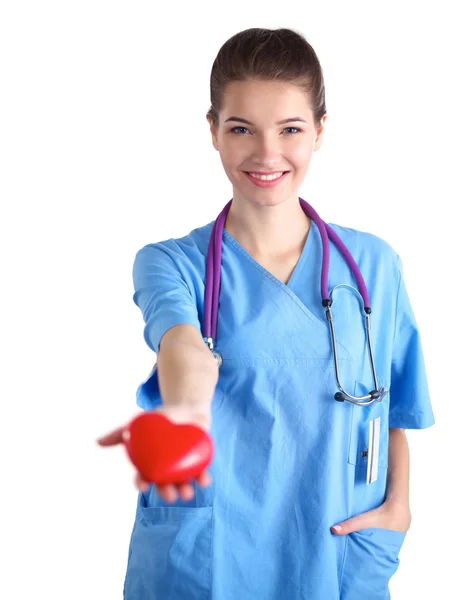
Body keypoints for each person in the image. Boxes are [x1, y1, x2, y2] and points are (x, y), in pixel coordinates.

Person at [97, 27, 435, 600]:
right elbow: (181, 345)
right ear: (213, 132)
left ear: (320, 132)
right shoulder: (169, 264)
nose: (267, 154)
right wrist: (184, 405)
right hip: (211, 553)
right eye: (241, 129)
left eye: (291, 130)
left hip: (337, 551)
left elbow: (393, 411)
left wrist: (399, 507)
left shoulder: (373, 265)